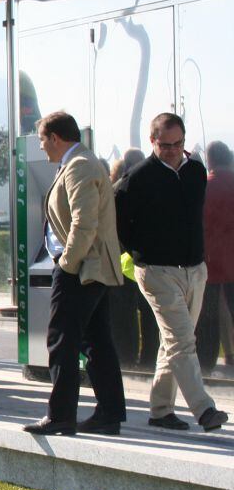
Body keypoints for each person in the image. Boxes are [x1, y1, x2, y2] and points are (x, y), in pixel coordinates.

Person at [115, 113, 228, 432]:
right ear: (153, 142)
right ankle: (204, 409)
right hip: (156, 271)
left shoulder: (195, 171)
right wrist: (139, 252)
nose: (173, 150)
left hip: (195, 270)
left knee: (173, 342)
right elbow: (118, 222)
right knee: (182, 341)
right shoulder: (136, 179)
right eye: (166, 145)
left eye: (178, 144)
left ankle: (161, 410)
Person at [24, 112, 126, 435]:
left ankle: (61, 415)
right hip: (88, 268)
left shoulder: (79, 165)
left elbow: (84, 223)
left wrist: (67, 264)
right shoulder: (78, 163)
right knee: (96, 341)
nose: (42, 148)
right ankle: (109, 413)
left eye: (43, 141)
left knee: (61, 339)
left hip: (80, 268)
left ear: (55, 137)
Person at [108, 149, 160, 370]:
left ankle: (127, 359)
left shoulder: (117, 190)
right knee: (150, 315)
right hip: (150, 262)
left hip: (123, 263)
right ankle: (149, 359)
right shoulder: (156, 190)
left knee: (125, 316)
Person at [197, 141, 234, 375]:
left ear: (209, 161)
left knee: (207, 317)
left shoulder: (203, 188)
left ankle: (206, 366)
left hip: (210, 262)